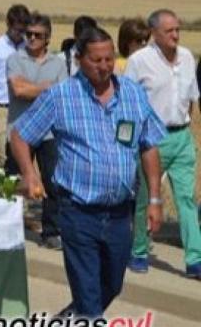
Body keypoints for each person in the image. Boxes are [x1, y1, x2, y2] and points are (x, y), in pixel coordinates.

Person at [9, 26, 165, 318]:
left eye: (109, 59)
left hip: (120, 213)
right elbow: (21, 135)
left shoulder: (132, 93)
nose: (104, 66)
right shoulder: (61, 96)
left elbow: (149, 146)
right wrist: (30, 174)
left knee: (112, 284)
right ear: (79, 59)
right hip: (78, 212)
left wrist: (154, 199)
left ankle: (68, 319)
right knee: (89, 294)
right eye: (97, 60)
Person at [124, 9, 201, 278]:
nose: (176, 35)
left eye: (178, 30)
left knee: (186, 199)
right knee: (146, 197)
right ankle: (139, 251)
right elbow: (126, 102)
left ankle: (195, 259)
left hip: (181, 136)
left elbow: (192, 98)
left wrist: (186, 128)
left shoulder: (188, 58)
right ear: (154, 33)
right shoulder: (139, 61)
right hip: (151, 140)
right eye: (169, 31)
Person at [5, 13, 68, 250]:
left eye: (37, 35)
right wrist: (47, 88)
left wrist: (36, 89)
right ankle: (7, 228)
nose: (31, 38)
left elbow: (61, 96)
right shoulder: (15, 59)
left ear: (47, 38)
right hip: (19, 130)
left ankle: (51, 232)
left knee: (53, 183)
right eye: (28, 34)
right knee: (11, 182)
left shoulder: (58, 63)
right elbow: (18, 90)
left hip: (49, 132)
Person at [0, 4, 30, 167]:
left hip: (24, 107)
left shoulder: (29, 48)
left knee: (22, 155)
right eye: (17, 30)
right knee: (1, 154)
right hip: (1, 107)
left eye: (23, 30)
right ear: (8, 25)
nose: (20, 34)